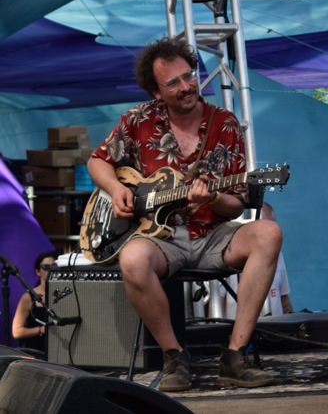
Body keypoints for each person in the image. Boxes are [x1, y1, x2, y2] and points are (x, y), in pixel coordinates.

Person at [88, 35, 282, 393]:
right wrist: (117, 189)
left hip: (213, 235)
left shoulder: (225, 123)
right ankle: (174, 357)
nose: (186, 86)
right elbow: (97, 160)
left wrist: (212, 199)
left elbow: (237, 205)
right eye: (173, 82)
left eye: (189, 75)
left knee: (268, 233)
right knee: (132, 259)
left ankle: (235, 355)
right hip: (159, 239)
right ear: (156, 91)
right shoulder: (137, 119)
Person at [223, 203, 293, 318]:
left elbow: (284, 301)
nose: (270, 235)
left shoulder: (278, 255)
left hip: (273, 331)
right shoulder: (228, 255)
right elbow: (217, 304)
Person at [10, 250, 58, 356]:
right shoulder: (28, 297)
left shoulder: (61, 294)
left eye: (53, 266)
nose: (50, 270)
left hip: (57, 351)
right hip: (36, 353)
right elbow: (17, 332)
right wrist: (41, 330)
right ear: (38, 271)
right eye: (45, 267)